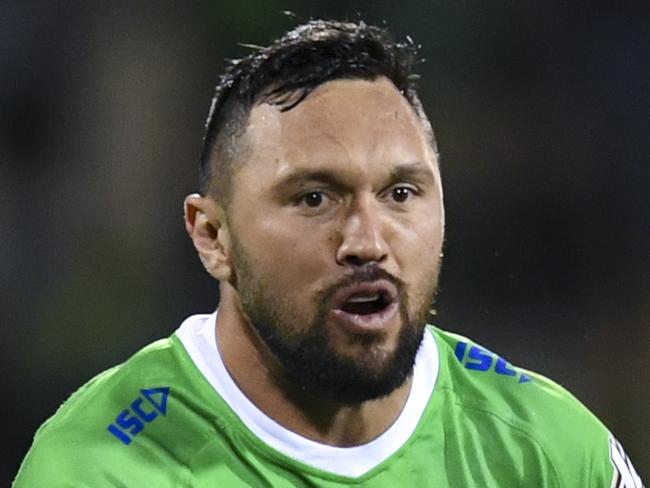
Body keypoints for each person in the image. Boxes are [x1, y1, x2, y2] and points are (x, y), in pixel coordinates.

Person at [14, 19, 644, 487]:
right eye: (315, 198)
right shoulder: (98, 468)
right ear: (212, 236)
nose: (368, 242)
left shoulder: (552, 455)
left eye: (401, 193)